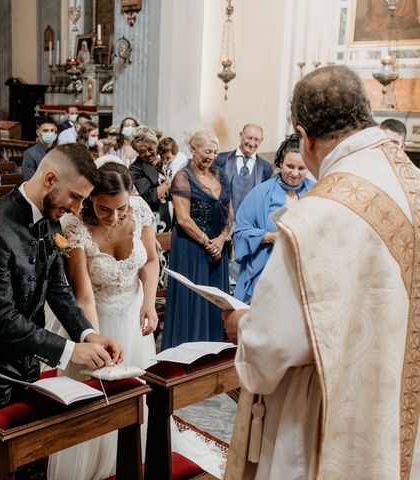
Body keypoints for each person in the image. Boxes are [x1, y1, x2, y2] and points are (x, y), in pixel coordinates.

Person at [222, 65, 420, 480]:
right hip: (402, 408)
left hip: (320, 420)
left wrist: (242, 324)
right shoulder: (412, 181)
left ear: (304, 136)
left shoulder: (315, 217)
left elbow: (272, 346)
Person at [0, 143, 123, 480]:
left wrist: (88, 333)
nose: (77, 208)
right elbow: (1, 319)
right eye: (75, 197)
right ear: (50, 179)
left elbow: (57, 290)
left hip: (24, 363)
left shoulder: (50, 220)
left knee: (23, 460)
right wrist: (72, 351)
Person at [45, 156, 163, 479]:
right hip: (96, 319)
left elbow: (151, 262)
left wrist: (149, 303)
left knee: (139, 394)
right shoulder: (75, 229)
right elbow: (82, 295)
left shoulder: (139, 211)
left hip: (134, 312)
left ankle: (135, 458)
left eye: (121, 209)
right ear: (90, 201)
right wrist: (95, 342)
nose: (114, 217)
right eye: (104, 209)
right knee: (99, 398)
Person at [162, 128, 232, 349]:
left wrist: (221, 239)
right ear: (193, 149)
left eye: (215, 152)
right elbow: (183, 219)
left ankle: (213, 355)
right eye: (207, 151)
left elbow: (230, 214)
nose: (211, 157)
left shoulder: (221, 174)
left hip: (217, 251)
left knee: (215, 304)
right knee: (192, 305)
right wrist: (206, 242)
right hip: (190, 249)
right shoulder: (183, 177)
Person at [231, 134, 315, 304]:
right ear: (279, 164)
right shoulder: (261, 193)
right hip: (267, 270)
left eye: (301, 168)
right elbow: (239, 231)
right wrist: (269, 236)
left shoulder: (316, 192)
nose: (295, 173)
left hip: (305, 270)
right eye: (289, 166)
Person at [215, 123, 273, 214]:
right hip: (222, 219)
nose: (252, 143)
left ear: (261, 141)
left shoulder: (266, 168)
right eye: (249, 138)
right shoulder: (220, 160)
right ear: (240, 136)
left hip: (249, 222)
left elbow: (264, 199)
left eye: (256, 139)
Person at [129, 126, 173, 232]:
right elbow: (149, 196)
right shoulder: (135, 168)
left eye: (150, 149)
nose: (148, 154)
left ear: (156, 145)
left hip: (177, 210)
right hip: (157, 215)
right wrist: (169, 182)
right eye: (142, 152)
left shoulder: (166, 156)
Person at [22, 115, 58, 180]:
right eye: (46, 131)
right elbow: (29, 181)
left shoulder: (60, 151)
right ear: (38, 133)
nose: (50, 133)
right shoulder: (30, 154)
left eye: (52, 130)